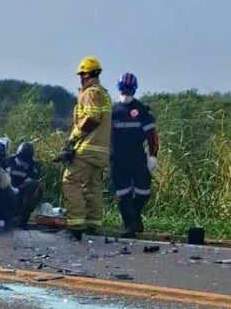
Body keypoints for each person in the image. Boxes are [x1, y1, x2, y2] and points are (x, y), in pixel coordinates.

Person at [57, 56, 112, 240]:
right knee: (92, 187)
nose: (81, 78)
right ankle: (93, 224)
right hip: (101, 151)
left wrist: (73, 139)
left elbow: (91, 118)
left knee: (70, 181)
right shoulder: (105, 94)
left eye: (82, 75)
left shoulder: (91, 93)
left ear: (88, 74)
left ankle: (76, 224)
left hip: (88, 149)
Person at [111, 72, 159, 237]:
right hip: (117, 157)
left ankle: (135, 216)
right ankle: (129, 225)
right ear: (119, 89)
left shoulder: (142, 110)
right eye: (123, 90)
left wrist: (153, 155)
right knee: (122, 193)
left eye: (128, 90)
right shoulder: (113, 111)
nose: (126, 93)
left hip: (136, 154)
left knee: (144, 190)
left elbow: (152, 134)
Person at [6, 141, 42, 229]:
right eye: (20, 158)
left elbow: (32, 181)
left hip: (22, 192)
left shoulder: (33, 166)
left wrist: (18, 189)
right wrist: (9, 188)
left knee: (37, 186)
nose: (21, 161)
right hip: (7, 190)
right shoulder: (8, 161)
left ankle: (23, 218)